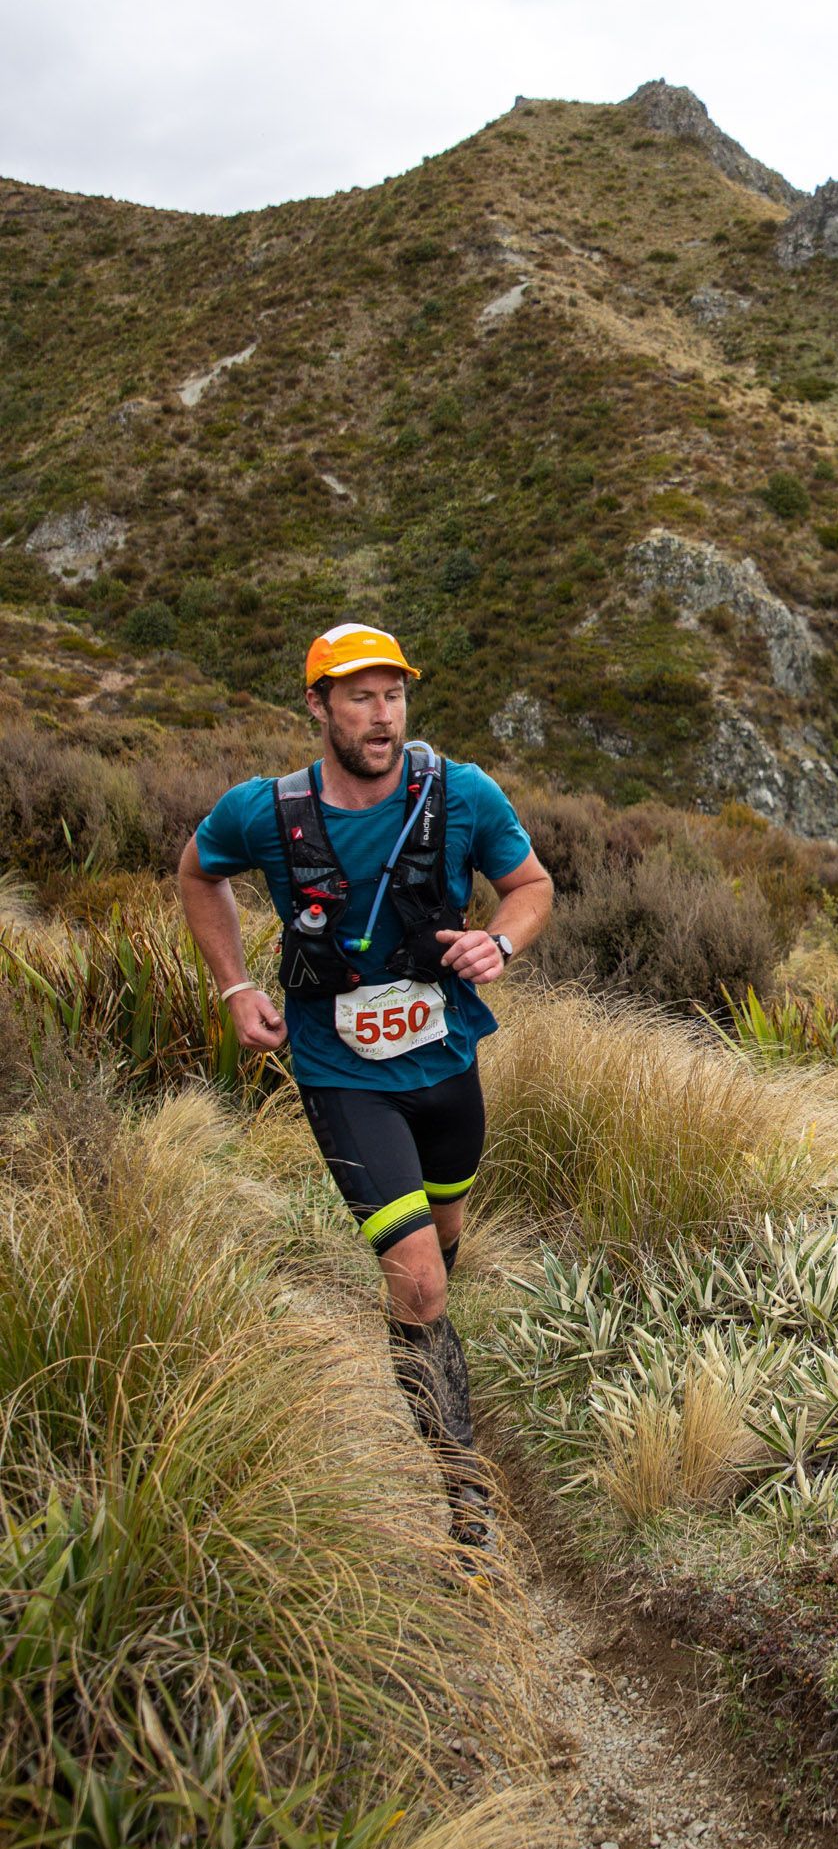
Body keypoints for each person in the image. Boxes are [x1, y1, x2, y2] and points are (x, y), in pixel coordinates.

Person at [177, 621, 552, 1568]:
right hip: (341, 1075)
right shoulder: (261, 812)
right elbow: (197, 872)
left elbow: (530, 885)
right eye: (358, 696)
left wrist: (498, 942)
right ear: (317, 706)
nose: (380, 716)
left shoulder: (460, 793)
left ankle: (419, 1345)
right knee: (419, 1279)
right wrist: (233, 986)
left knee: (442, 1250)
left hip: (447, 1062)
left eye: (392, 695)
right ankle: (464, 1497)